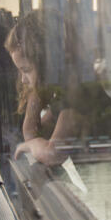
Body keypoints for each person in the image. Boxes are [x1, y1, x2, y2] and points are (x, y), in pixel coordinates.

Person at [5, 10, 81, 166]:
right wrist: (36, 92)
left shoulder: (75, 94)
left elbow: (53, 154)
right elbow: (36, 131)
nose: (23, 79)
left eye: (26, 70)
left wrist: (29, 145)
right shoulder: (58, 95)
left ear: (46, 65)